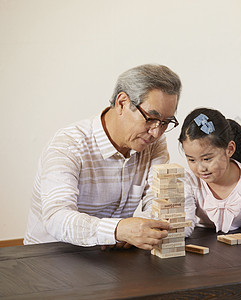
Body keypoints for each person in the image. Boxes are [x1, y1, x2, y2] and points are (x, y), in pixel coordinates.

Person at [24, 64, 182, 250]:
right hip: (51, 254)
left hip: (110, 255)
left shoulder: (154, 143)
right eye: (150, 118)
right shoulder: (67, 145)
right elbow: (56, 217)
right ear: (122, 102)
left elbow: (160, 203)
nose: (156, 132)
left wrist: (139, 228)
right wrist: (118, 230)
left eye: (165, 123)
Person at [179, 108, 241, 243]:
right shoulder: (189, 181)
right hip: (202, 243)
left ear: (229, 149)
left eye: (207, 159)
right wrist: (172, 231)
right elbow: (186, 219)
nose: (200, 168)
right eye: (191, 160)